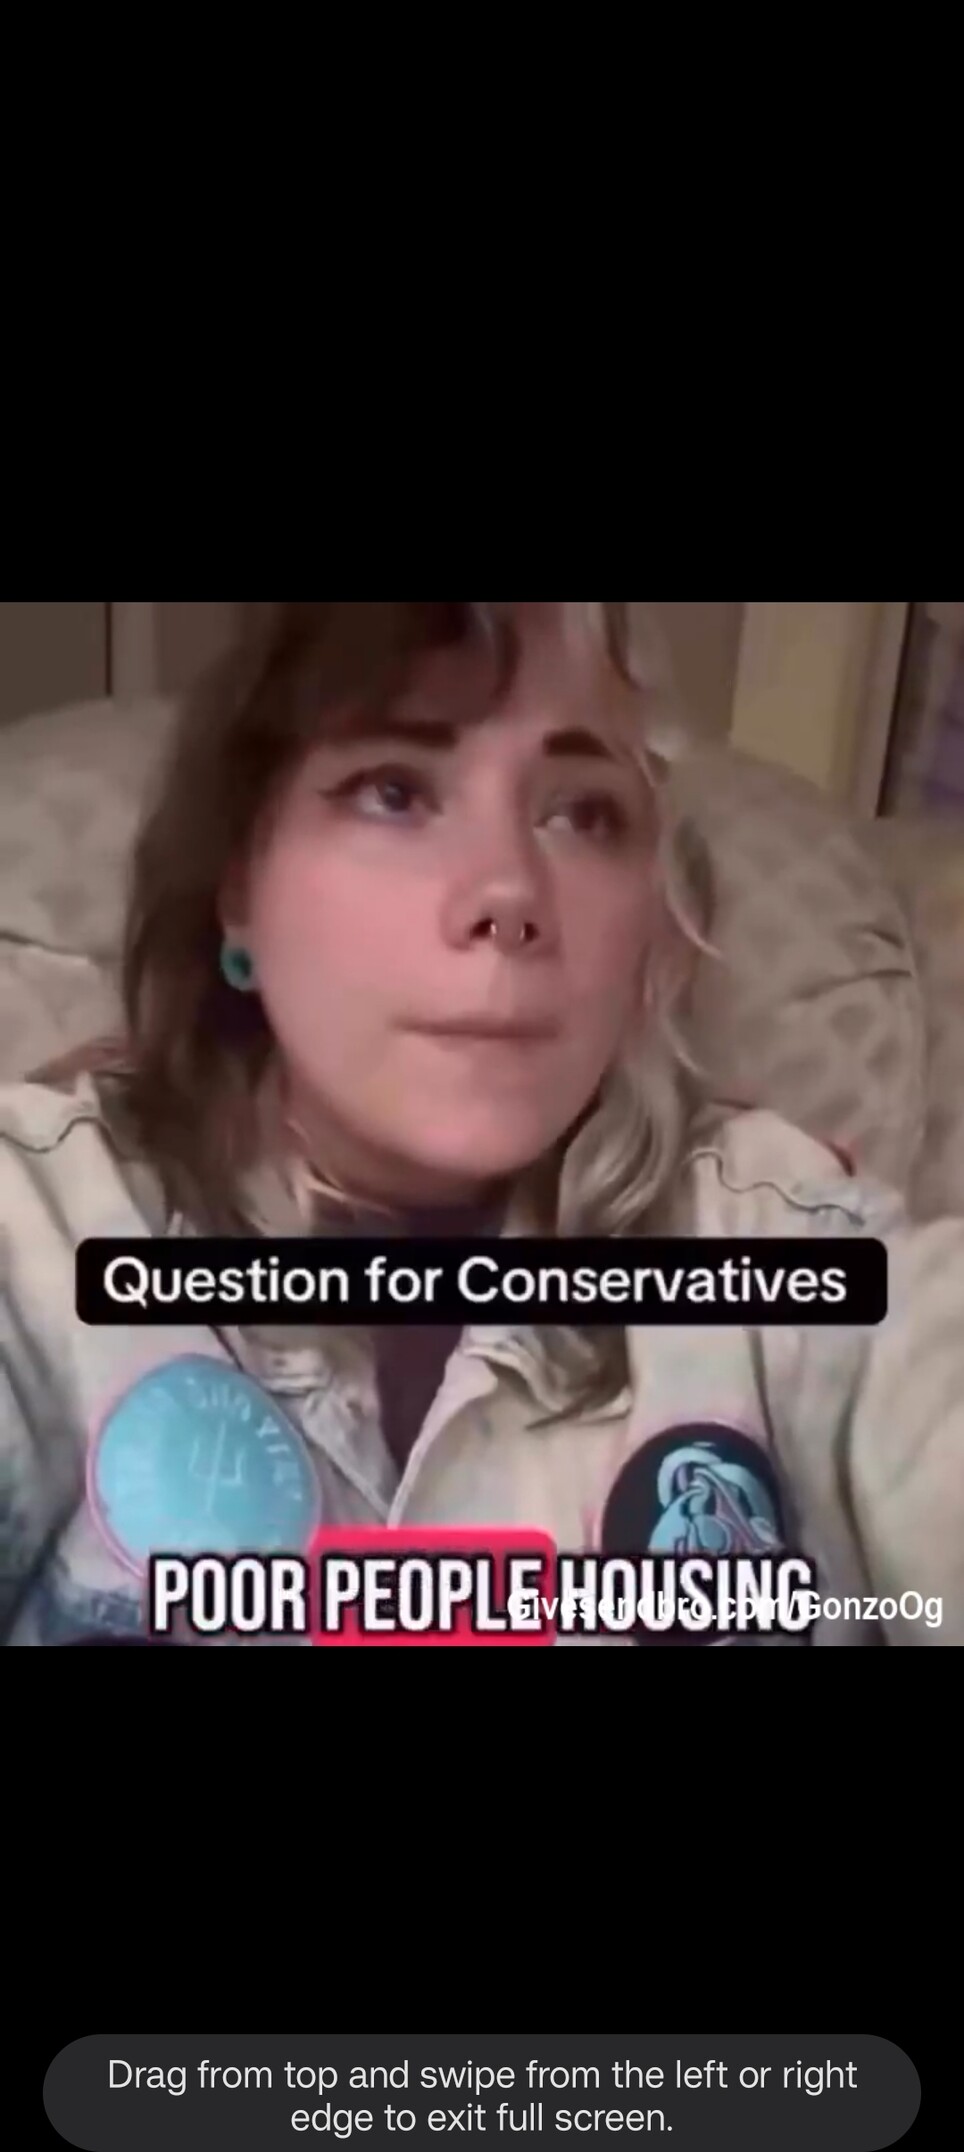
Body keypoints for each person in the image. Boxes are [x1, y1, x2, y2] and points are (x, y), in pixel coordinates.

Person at [0, 600, 960, 1646]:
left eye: (583, 813)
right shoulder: (42, 1225)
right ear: (240, 888)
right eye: (396, 792)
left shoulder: (782, 1241)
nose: (508, 892)